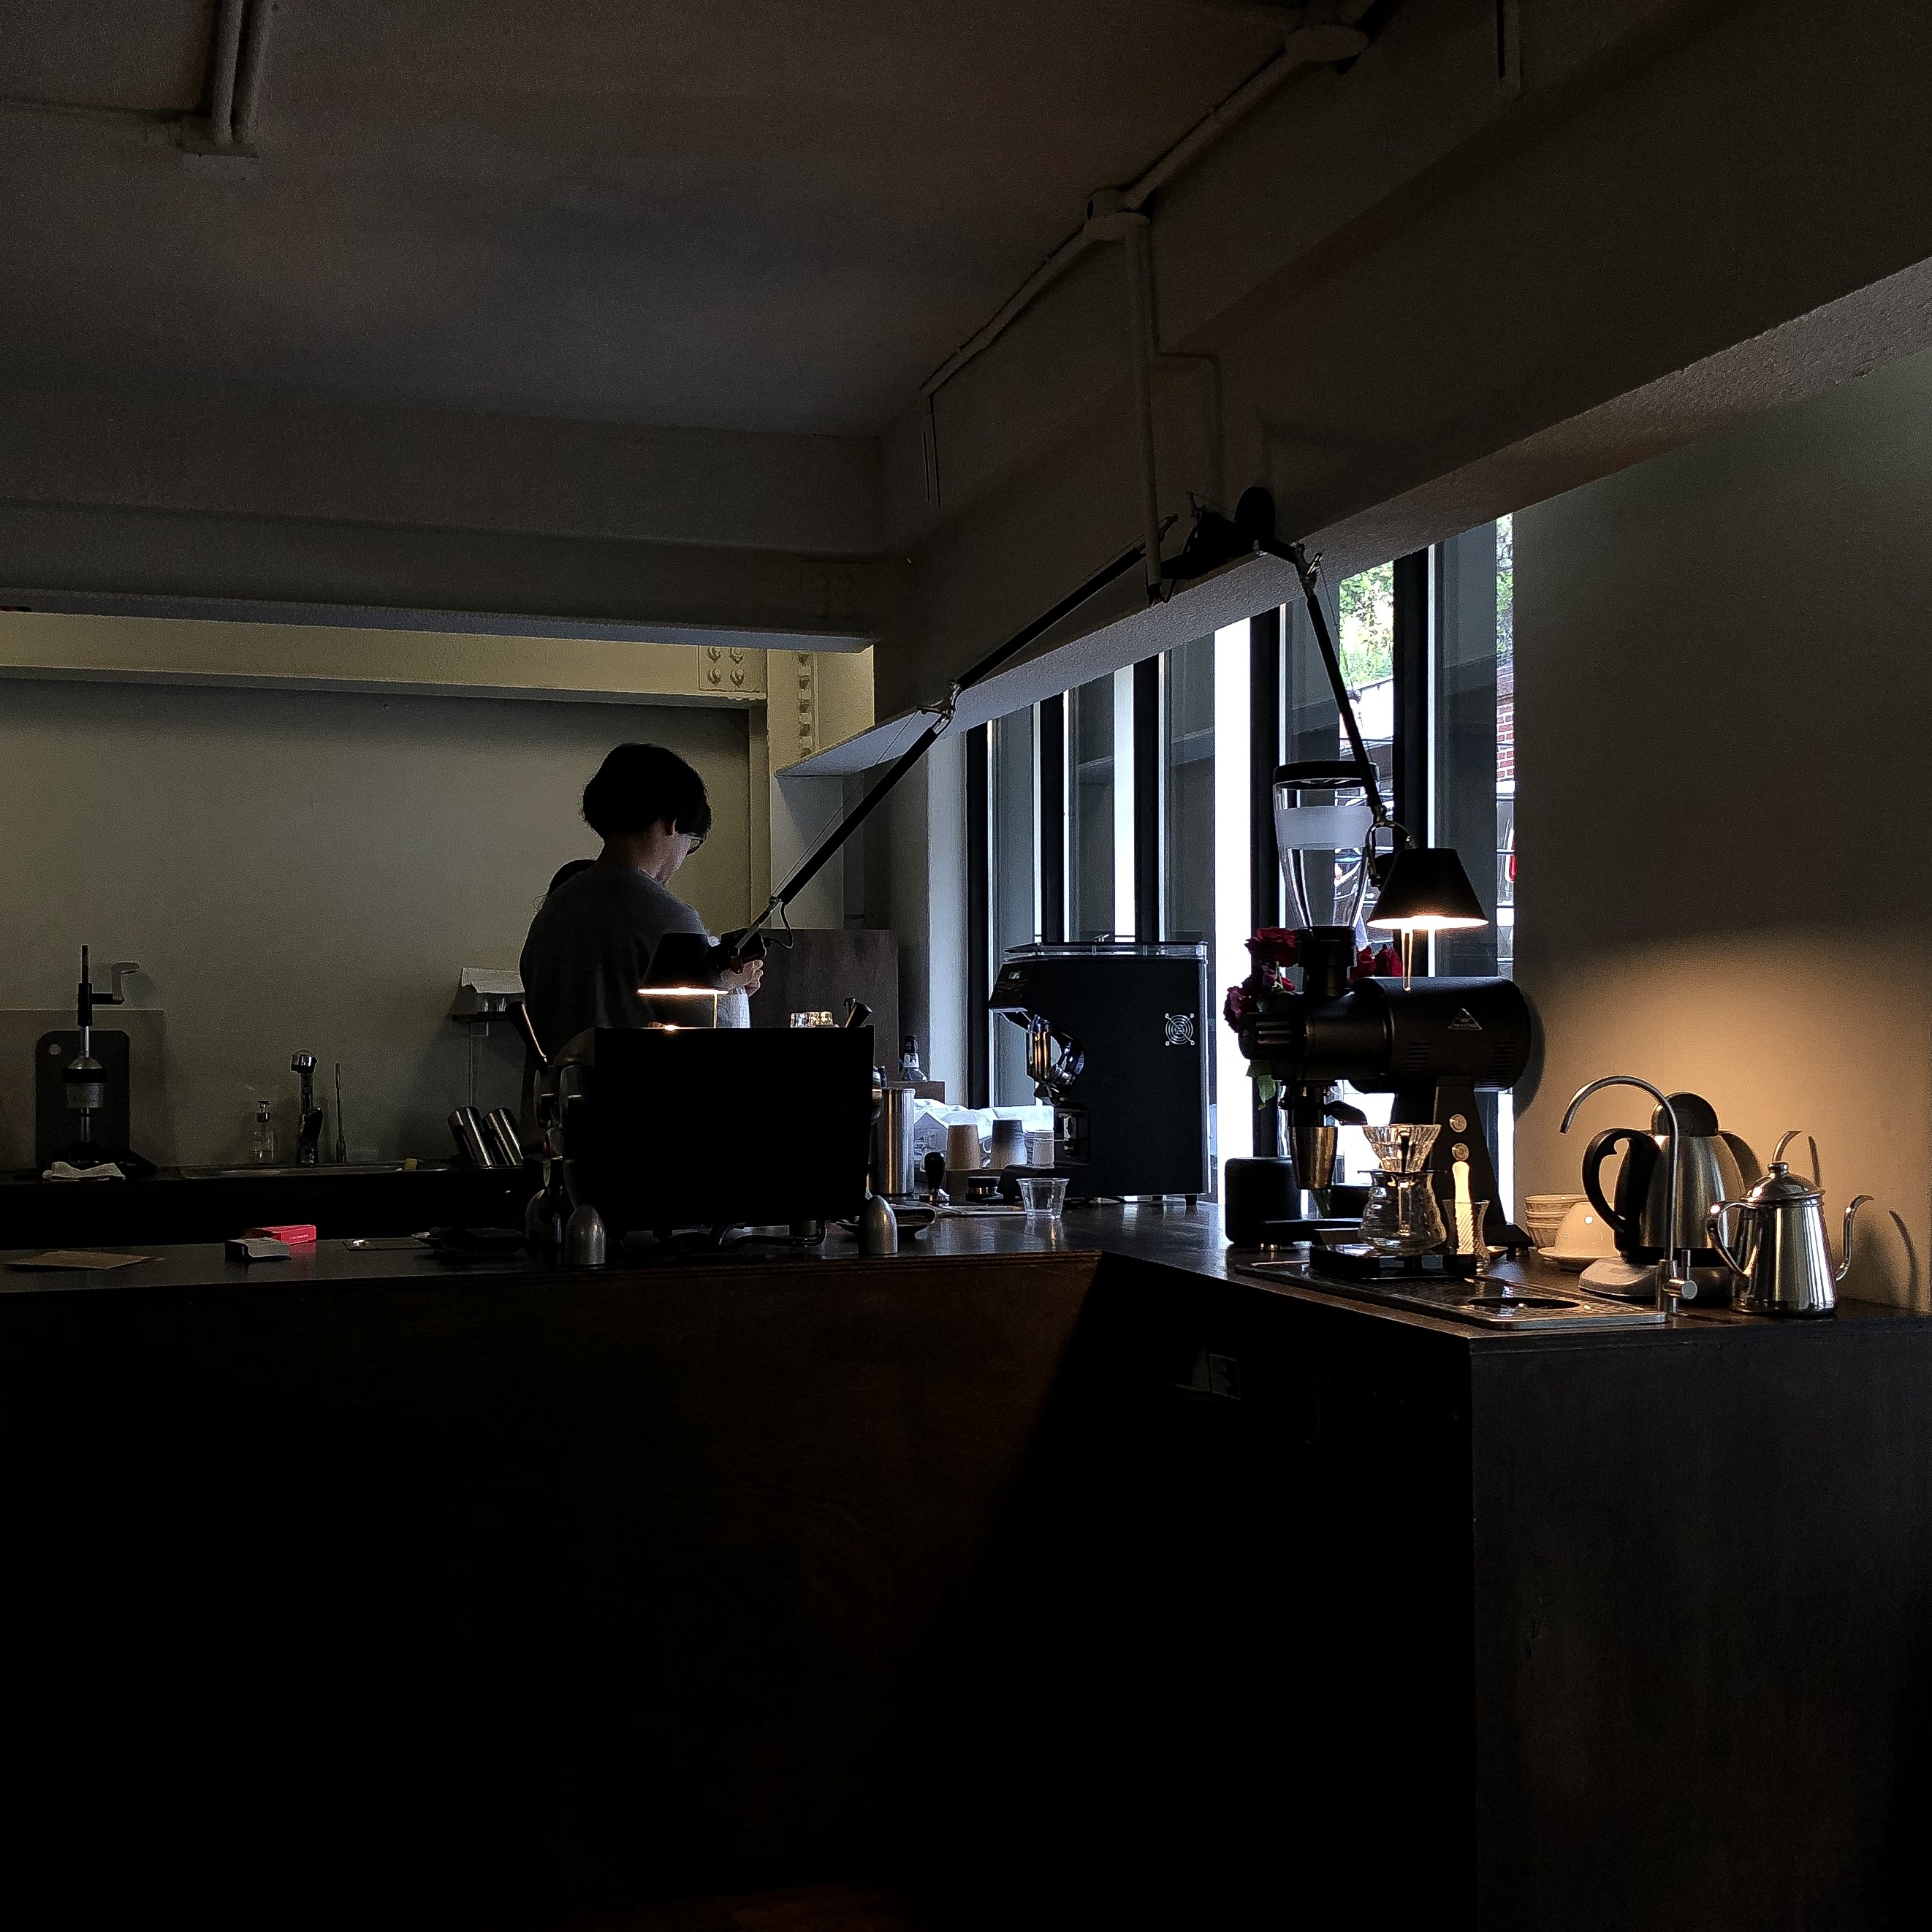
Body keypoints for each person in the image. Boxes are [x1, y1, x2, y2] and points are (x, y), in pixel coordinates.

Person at [520, 743, 763, 1058]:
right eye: (690, 843)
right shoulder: (670, 919)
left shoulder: (555, 906)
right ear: (673, 822)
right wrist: (723, 988)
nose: (681, 859)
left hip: (557, 1088)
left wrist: (718, 981)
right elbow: (711, 1042)